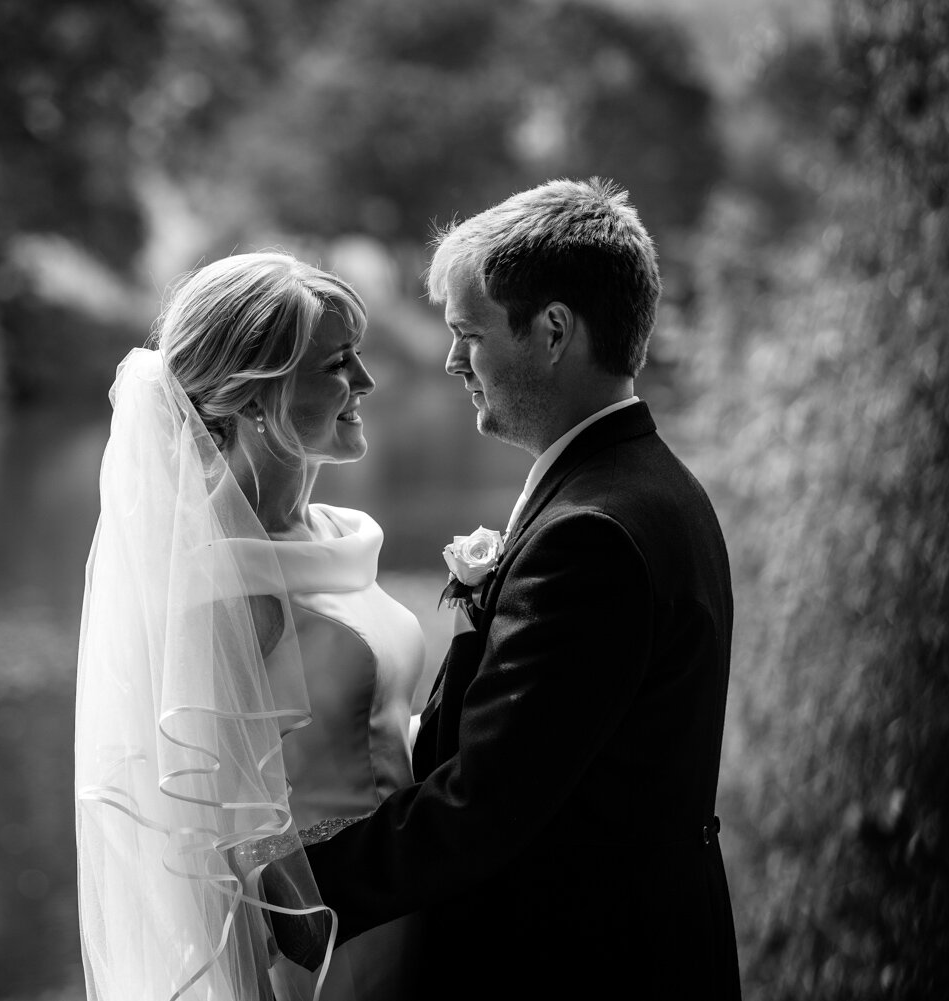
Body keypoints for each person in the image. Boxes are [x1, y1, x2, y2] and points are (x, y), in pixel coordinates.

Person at [280, 178, 743, 998]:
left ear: (554, 331)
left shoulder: (591, 533)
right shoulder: (645, 484)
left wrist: (296, 888)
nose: (454, 360)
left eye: (470, 333)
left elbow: (486, 799)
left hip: (582, 964)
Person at [74, 252, 426, 1001]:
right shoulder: (216, 587)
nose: (365, 381)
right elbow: (220, 837)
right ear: (257, 397)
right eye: (338, 364)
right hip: (335, 944)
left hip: (416, 896)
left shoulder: (333, 536)